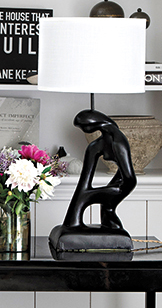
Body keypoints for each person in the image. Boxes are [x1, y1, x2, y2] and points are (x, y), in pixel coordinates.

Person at [49, 108, 136, 253]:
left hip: (126, 184)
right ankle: (99, 221)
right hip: (119, 181)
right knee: (87, 197)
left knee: (97, 200)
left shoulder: (118, 142)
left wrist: (109, 189)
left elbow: (129, 177)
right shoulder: (94, 147)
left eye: (84, 127)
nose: (84, 130)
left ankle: (110, 219)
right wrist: (83, 196)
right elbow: (84, 182)